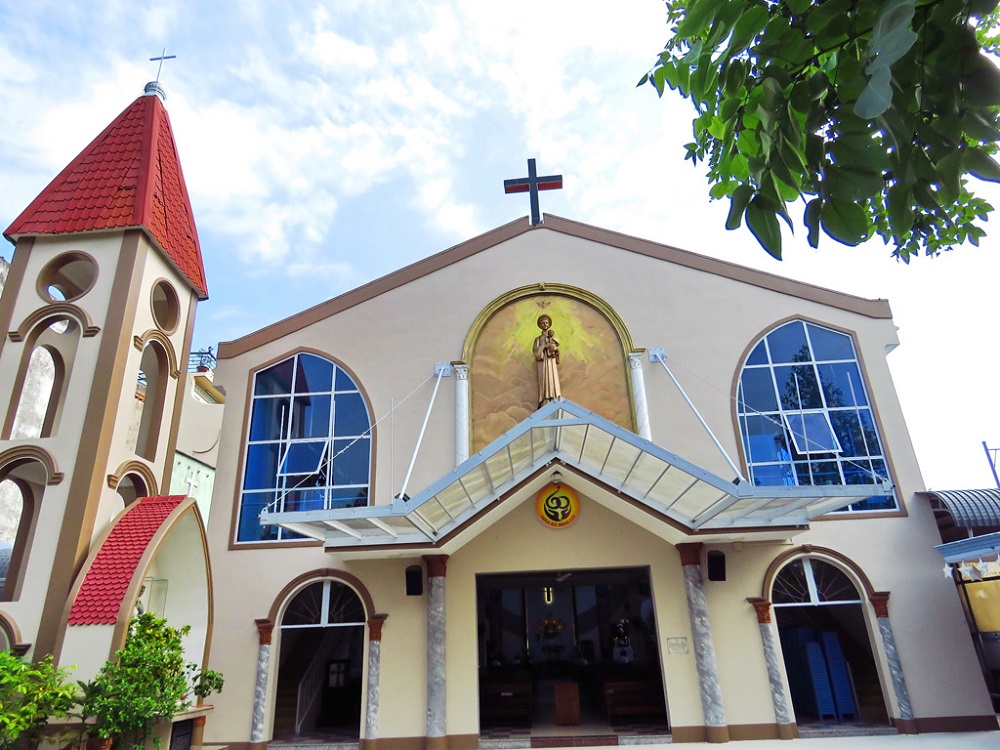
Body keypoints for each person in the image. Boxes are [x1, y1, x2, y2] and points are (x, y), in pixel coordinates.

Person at [533, 314, 561, 407]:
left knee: (552, 377)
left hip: (551, 362)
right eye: (543, 323)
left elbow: (557, 346)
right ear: (540, 325)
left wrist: (554, 349)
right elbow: (536, 351)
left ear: (549, 324)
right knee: (544, 379)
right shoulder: (538, 339)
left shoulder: (552, 338)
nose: (545, 324)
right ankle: (545, 399)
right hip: (543, 362)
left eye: (546, 323)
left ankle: (554, 397)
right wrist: (544, 347)